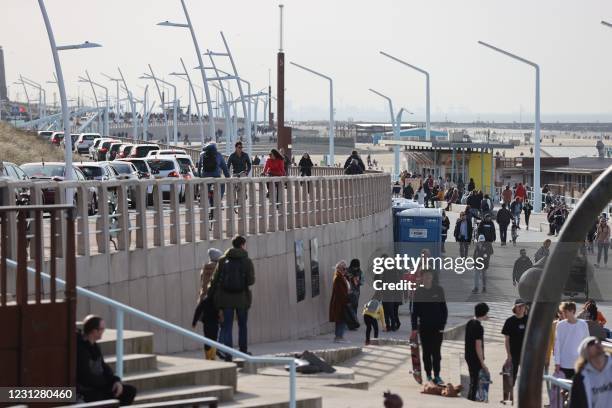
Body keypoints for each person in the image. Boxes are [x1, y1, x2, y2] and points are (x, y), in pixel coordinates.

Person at [208, 235, 255, 360]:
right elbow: (251, 281)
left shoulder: (223, 260)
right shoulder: (247, 260)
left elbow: (215, 279)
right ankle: (243, 351)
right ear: (242, 245)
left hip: (225, 299)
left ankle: (228, 354)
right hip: (242, 299)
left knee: (227, 326)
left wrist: (210, 295)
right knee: (242, 325)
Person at [77, 315, 137, 405]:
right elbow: (86, 376)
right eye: (102, 329)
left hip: (101, 384)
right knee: (103, 397)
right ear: (94, 331)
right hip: (88, 389)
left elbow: (104, 367)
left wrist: (116, 381)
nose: (103, 331)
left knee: (129, 391)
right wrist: (108, 384)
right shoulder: (81, 349)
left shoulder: (95, 346)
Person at [411, 269, 448, 385]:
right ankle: (428, 375)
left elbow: (444, 309)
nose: (427, 278)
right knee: (426, 352)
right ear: (422, 278)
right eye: (425, 276)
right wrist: (414, 328)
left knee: (436, 353)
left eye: (429, 276)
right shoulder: (418, 292)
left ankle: (437, 375)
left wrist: (442, 325)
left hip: (437, 327)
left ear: (432, 277)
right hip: (424, 327)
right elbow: (414, 311)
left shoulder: (439, 290)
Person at [569, 337, 612, 408]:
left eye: (598, 341)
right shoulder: (580, 378)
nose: (596, 343)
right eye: (591, 343)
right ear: (585, 353)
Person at [554, 301, 590, 379]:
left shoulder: (583, 324)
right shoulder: (560, 325)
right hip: (563, 364)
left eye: (565, 312)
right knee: (563, 389)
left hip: (579, 363)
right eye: (563, 312)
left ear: (572, 311)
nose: (563, 314)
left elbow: (587, 343)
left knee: (577, 389)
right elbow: (557, 345)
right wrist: (557, 362)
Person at [465, 302, 490, 401]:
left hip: (468, 355)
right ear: (484, 313)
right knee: (475, 381)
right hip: (475, 358)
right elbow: (478, 346)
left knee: (472, 380)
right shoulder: (479, 327)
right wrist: (482, 363)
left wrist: (483, 318)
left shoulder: (470, 322)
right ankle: (472, 400)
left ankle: (469, 398)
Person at [502, 299, 529, 384]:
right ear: (515, 308)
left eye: (523, 306)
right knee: (511, 379)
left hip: (527, 354)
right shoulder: (509, 321)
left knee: (527, 379)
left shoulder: (530, 320)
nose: (521, 308)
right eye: (519, 306)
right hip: (514, 354)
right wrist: (509, 355)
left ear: (525, 308)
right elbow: (507, 340)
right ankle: (509, 395)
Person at [198, 142, 230, 207]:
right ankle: (219, 201)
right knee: (222, 185)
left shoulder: (202, 155)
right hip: (216, 176)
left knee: (204, 188)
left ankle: (203, 200)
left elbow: (199, 167)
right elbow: (224, 168)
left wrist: (200, 176)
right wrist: (228, 177)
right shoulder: (218, 155)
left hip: (205, 176)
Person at [329, 261, 350, 343]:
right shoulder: (338, 277)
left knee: (341, 319)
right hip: (340, 302)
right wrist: (347, 300)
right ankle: (338, 337)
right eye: (344, 268)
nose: (345, 270)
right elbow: (340, 291)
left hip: (342, 302)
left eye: (346, 268)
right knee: (341, 319)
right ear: (340, 269)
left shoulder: (342, 276)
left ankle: (339, 336)